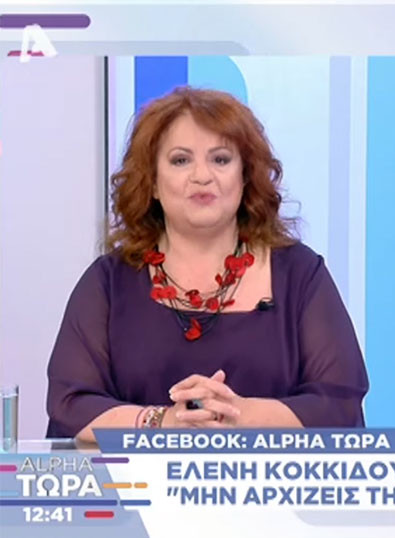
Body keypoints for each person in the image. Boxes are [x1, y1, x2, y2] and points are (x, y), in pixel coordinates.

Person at [46, 87, 369, 442]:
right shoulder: (108, 282)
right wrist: (165, 422)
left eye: (221, 159)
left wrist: (236, 415)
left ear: (245, 177)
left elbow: (338, 401)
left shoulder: (300, 274)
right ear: (152, 183)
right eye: (180, 160)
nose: (202, 176)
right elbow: (70, 404)